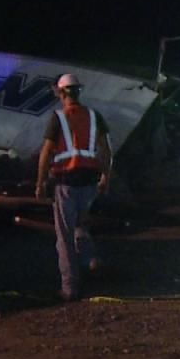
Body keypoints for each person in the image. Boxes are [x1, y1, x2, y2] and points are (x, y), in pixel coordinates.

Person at [35, 73, 112, 302]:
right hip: (89, 182)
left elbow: (46, 153)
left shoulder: (58, 118)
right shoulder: (94, 115)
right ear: (78, 92)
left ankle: (69, 287)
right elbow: (106, 150)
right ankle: (90, 260)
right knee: (80, 225)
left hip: (66, 183)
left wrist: (40, 183)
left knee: (64, 236)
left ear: (61, 93)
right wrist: (105, 178)